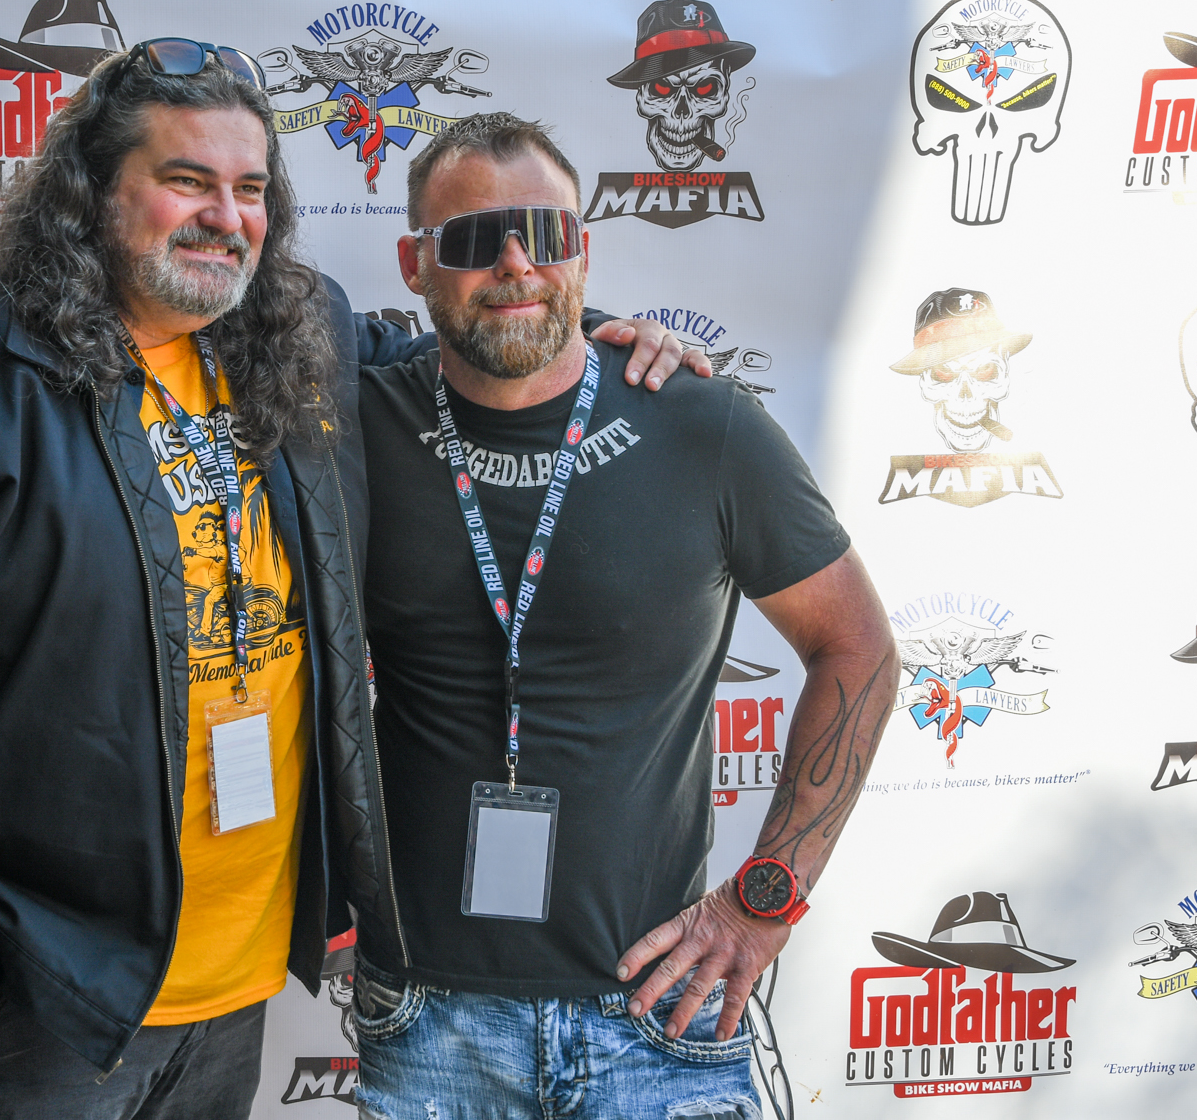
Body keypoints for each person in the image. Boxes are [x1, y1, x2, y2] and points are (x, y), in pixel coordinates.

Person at [0, 44, 703, 1119]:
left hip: (233, 992)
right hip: (30, 1001)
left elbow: (456, 351)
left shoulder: (293, 334)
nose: (224, 217)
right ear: (93, 190)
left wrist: (593, 333)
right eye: (186, 180)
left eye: (248, 188)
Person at [350, 113, 898, 1120]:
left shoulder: (701, 423)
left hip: (657, 1009)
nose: (516, 263)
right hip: (428, 1018)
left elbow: (855, 646)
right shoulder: (356, 423)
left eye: (545, 234)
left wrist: (765, 900)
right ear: (413, 264)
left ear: (584, 250)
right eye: (473, 239)